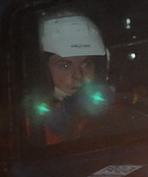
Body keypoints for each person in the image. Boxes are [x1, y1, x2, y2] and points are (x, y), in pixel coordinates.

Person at [37, 10, 107, 143]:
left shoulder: (114, 114)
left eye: (86, 64)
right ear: (43, 70)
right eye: (65, 65)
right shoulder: (27, 126)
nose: (78, 76)